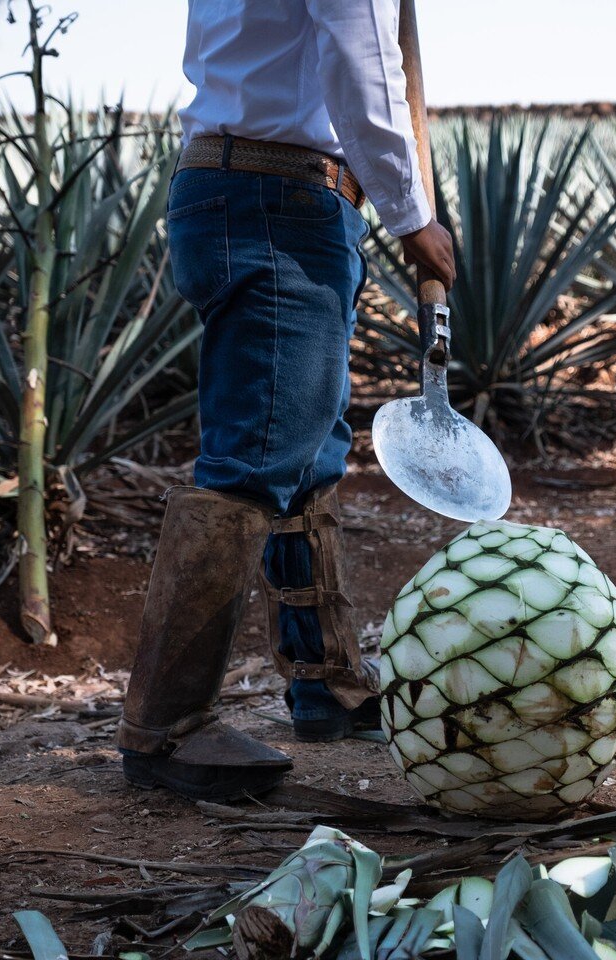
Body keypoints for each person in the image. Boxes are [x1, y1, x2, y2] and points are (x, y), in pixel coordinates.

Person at [115, 0, 456, 802]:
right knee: (257, 455)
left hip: (245, 189)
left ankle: (328, 684)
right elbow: (359, 57)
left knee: (302, 448)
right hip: (276, 198)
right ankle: (166, 727)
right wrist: (413, 217)